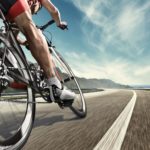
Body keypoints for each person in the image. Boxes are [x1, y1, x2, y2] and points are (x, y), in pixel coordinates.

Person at [0, 0, 75, 102]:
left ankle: (8, 71)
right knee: (33, 29)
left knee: (9, 43)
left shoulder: (14, 16)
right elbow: (54, 11)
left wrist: (24, 42)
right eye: (37, 10)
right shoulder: (35, 2)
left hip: (5, 9)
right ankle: (54, 85)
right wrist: (59, 23)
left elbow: (13, 38)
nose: (34, 12)